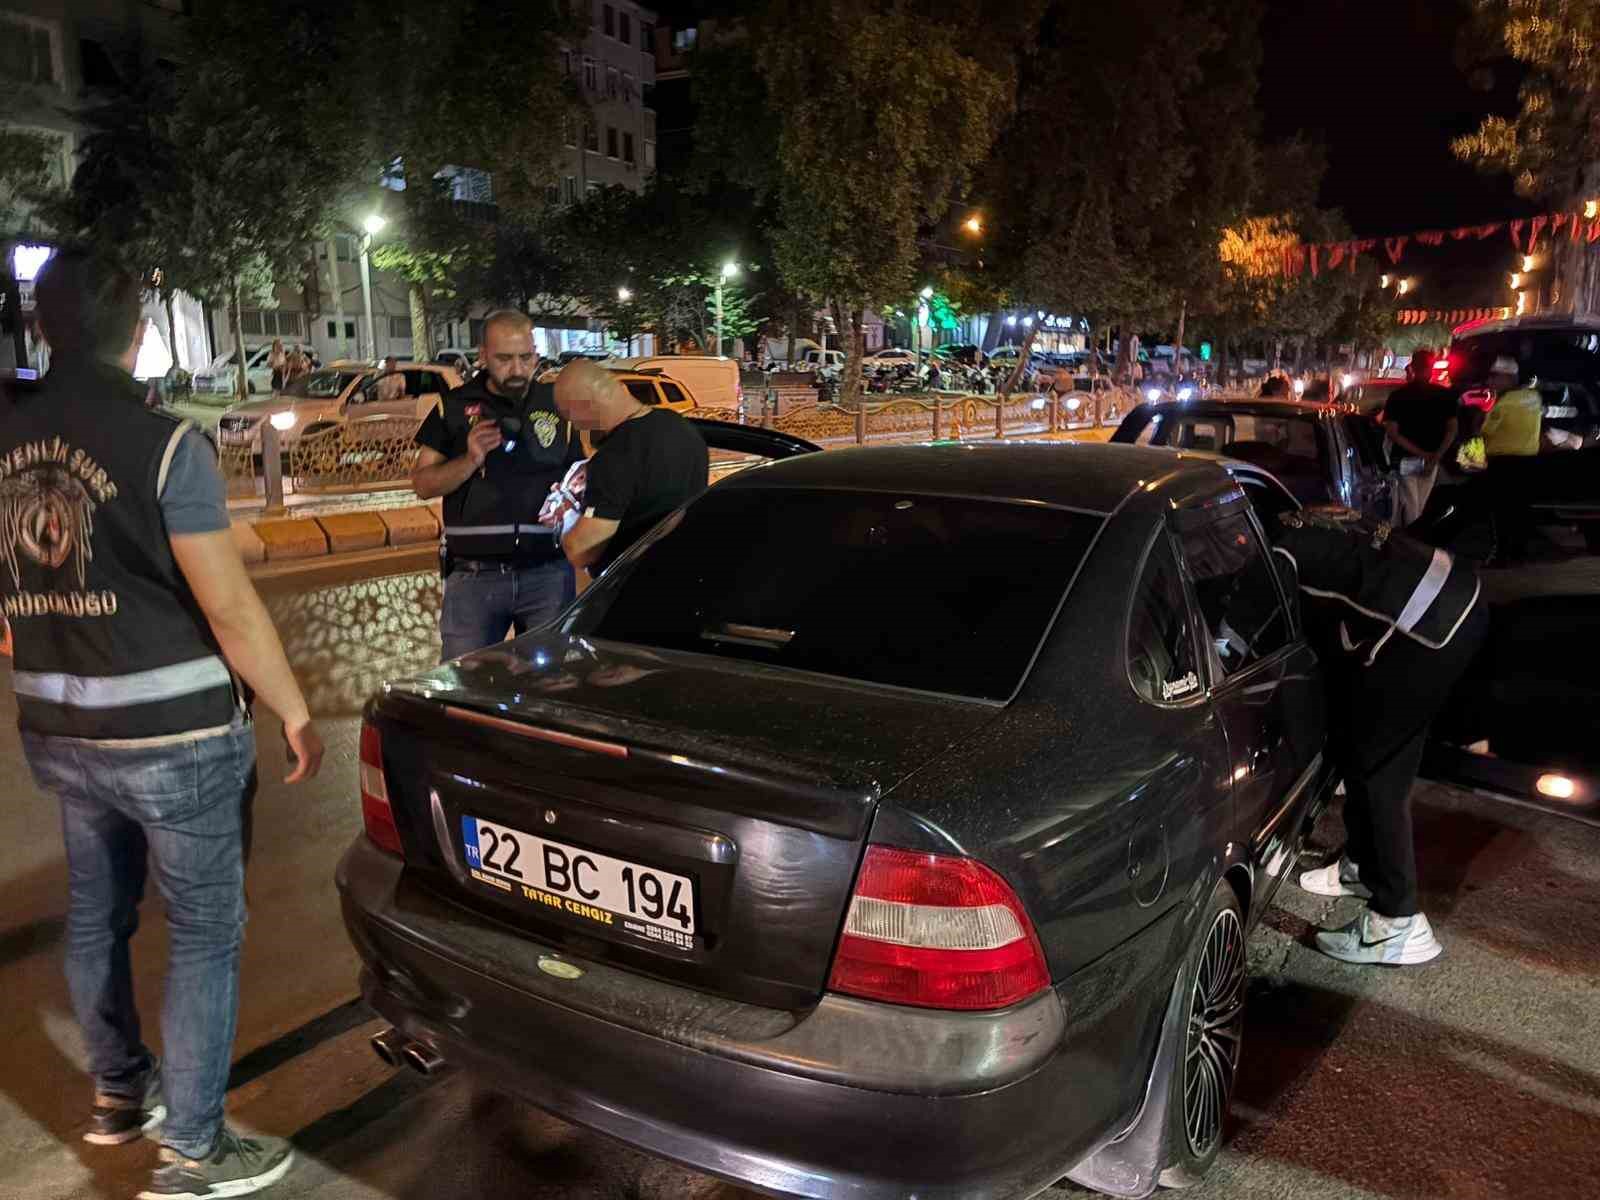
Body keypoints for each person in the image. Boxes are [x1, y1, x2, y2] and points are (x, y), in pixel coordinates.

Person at [8, 250, 323, 1197]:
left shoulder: (5, 439)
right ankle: (193, 1150)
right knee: (202, 929)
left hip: (61, 730)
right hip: (175, 736)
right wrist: (296, 708)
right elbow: (227, 608)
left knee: (97, 913)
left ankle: (118, 1099)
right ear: (136, 332)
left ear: (41, 326)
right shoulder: (165, 444)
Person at [1274, 505, 1488, 966]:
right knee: (1367, 744)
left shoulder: (1276, 557)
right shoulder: (1300, 521)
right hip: (1457, 597)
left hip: (1429, 630)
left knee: (1378, 775)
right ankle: (1362, 867)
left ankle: (1397, 922)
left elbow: (1232, 641)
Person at [411, 310, 584, 661]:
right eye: (505, 359)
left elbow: (579, 478)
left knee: (548, 690)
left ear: (536, 354)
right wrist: (471, 458)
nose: (518, 369)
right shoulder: (454, 407)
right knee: (463, 688)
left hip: (547, 575)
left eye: (526, 358)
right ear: (484, 355)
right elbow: (423, 484)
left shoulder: (557, 404)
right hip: (475, 579)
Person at [551, 358, 709, 575]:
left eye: (570, 416)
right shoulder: (683, 428)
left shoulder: (614, 457)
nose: (577, 427)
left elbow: (581, 551)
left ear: (582, 407)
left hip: (634, 589)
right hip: (689, 574)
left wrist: (566, 513)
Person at [1380, 347, 1458, 526]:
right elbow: (1452, 430)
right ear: (1431, 368)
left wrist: (1421, 454)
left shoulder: (1398, 396)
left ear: (1412, 367)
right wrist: (1435, 455)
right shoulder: (1445, 396)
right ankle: (1415, 543)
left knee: (1410, 505)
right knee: (1419, 505)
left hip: (1405, 459)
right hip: (1432, 458)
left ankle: (1411, 544)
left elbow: (1392, 433)